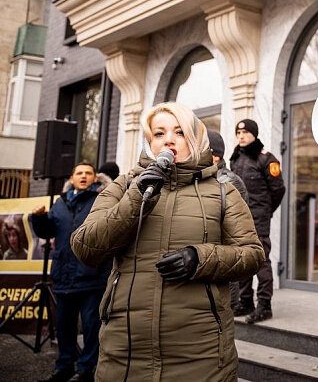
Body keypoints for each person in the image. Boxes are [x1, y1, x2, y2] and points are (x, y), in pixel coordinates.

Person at [70, 102, 264, 381]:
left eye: (180, 132)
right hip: (125, 353)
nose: (169, 139)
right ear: (150, 141)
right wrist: (137, 197)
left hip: (202, 353)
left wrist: (201, 259)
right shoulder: (124, 186)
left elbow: (252, 254)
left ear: (195, 139)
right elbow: (85, 248)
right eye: (159, 133)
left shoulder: (224, 192)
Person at [32, 162, 112, 382]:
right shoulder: (60, 203)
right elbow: (48, 231)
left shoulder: (101, 200)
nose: (84, 176)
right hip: (64, 277)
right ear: (72, 178)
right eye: (79, 173)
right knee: (64, 329)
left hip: (92, 276)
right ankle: (64, 367)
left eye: (88, 173)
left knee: (90, 327)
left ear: (95, 178)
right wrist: (38, 219)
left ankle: (86, 369)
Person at [229, 118, 286, 323]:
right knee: (244, 259)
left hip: (259, 217)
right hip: (239, 217)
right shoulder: (235, 159)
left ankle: (264, 305)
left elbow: (278, 190)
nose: (241, 136)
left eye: (245, 133)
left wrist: (266, 210)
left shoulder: (266, 159)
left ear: (254, 134)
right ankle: (245, 302)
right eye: (238, 133)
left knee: (261, 260)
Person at [208, 130, 251, 315]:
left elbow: (235, 232)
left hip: (221, 266)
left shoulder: (229, 182)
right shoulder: (202, 179)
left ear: (215, 157)